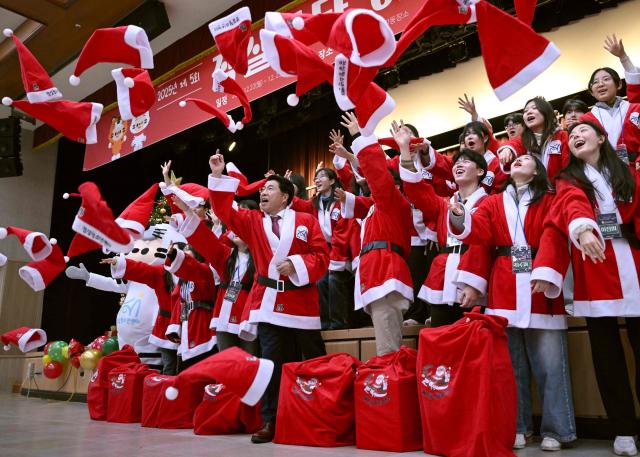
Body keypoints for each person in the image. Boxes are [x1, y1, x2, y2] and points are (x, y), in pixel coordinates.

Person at [448, 154, 576, 451]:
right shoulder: (493, 202)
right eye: (516, 159)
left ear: (536, 171)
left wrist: (547, 270)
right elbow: (477, 234)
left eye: (527, 159)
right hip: (504, 285)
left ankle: (557, 430)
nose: (519, 160)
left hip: (540, 283)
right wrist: (459, 215)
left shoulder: (549, 198)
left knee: (551, 366)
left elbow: (554, 235)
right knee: (511, 367)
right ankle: (518, 426)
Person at [533, 120, 640, 456]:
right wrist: (582, 229)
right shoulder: (569, 179)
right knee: (607, 356)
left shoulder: (628, 173)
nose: (577, 135)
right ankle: (623, 429)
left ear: (602, 137)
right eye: (573, 134)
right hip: (595, 266)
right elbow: (572, 204)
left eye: (584, 131)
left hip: (634, 263)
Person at [208, 152, 329, 444]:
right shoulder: (251, 221)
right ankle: (271, 420)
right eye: (262, 190)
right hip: (269, 305)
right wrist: (218, 176)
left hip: (302, 303)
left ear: (286, 197)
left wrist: (297, 265)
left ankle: (321, 413)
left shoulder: (306, 220)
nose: (263, 192)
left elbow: (322, 256)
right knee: (271, 364)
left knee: (312, 361)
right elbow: (225, 211)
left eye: (270, 189)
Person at [335, 113, 414, 356]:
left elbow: (378, 176)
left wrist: (360, 137)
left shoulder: (394, 202)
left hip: (386, 272)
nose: (372, 184)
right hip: (376, 273)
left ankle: (391, 390)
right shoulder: (375, 207)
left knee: (387, 352)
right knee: (386, 347)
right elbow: (363, 196)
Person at [399, 138, 490, 327]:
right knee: (442, 343)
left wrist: (474, 284)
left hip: (473, 273)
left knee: (471, 343)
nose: (458, 164)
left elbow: (485, 245)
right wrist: (405, 152)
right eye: (456, 162)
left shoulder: (490, 203)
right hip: (443, 276)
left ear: (480, 171)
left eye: (465, 161)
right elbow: (417, 191)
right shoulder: (444, 203)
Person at [178, 198, 260, 355]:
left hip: (247, 316)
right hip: (223, 313)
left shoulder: (259, 257)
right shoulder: (225, 255)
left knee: (250, 361)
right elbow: (205, 240)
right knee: (226, 361)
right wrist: (188, 212)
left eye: (240, 229)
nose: (234, 232)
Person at [288, 167, 353, 330]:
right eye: (315, 178)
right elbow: (299, 205)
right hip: (324, 251)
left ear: (332, 181)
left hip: (342, 250)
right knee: (319, 282)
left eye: (322, 177)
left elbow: (342, 234)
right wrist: (287, 187)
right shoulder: (314, 203)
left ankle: (339, 323)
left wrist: (335, 260)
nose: (317, 180)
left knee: (333, 280)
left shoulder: (341, 201)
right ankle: (324, 323)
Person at [100, 253, 179, 375]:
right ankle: (161, 391)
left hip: (189, 324)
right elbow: (142, 269)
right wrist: (120, 263)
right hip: (166, 326)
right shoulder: (161, 273)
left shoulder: (193, 272)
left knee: (184, 363)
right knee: (168, 364)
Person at [581, 35, 640, 170]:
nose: (600, 84)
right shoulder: (586, 119)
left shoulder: (634, 108)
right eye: (595, 82)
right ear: (591, 91)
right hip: (605, 173)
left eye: (606, 79)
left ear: (619, 84)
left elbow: (636, 86)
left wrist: (623, 57)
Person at [498, 97, 569, 181]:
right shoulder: (524, 140)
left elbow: (569, 169)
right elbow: (514, 144)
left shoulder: (562, 136)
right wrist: (507, 149)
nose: (529, 112)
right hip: (534, 191)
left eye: (535, 108)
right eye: (525, 111)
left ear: (546, 112)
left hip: (561, 189)